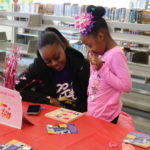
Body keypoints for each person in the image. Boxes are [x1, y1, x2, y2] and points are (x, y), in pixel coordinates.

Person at [75, 5, 132, 123]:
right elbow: (96, 78)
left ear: (100, 36)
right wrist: (93, 63)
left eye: (89, 45)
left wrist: (102, 68)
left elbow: (126, 86)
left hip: (108, 115)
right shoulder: (100, 52)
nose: (89, 49)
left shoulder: (116, 54)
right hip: (95, 111)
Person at [15, 28, 90, 112]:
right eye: (48, 61)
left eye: (57, 57)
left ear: (63, 46)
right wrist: (48, 99)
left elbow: (94, 96)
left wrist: (76, 112)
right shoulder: (39, 67)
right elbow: (14, 89)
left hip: (80, 114)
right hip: (50, 115)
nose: (54, 63)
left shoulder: (82, 65)